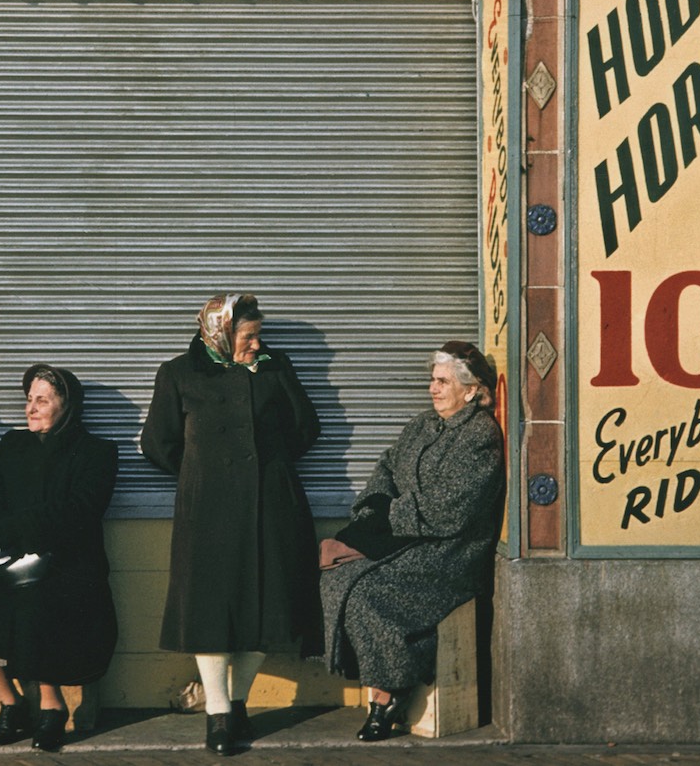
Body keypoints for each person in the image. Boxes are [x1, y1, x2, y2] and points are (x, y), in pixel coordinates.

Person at [141, 293, 323, 756]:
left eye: (258, 335)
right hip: (209, 509)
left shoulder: (274, 367)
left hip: (271, 502)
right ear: (218, 332)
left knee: (267, 605)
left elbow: (306, 427)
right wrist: (206, 467)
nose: (256, 343)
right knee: (210, 609)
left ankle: (238, 702)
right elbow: (157, 443)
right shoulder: (179, 374)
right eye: (248, 336)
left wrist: (266, 462)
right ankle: (217, 714)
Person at [317, 340, 505, 742]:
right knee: (337, 577)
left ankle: (388, 697)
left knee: (369, 591)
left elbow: (448, 510)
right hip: (407, 539)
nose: (432, 389)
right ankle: (389, 675)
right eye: (432, 380)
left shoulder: (480, 436)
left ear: (471, 391)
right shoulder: (423, 424)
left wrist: (384, 521)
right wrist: (372, 508)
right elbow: (386, 465)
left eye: (442, 381)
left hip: (450, 552)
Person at [0, 363, 119, 752]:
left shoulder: (97, 453)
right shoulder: (13, 445)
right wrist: (3, 538)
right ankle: (11, 702)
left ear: (67, 405)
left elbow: (79, 511)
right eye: (28, 399)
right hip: (10, 561)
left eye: (42, 399)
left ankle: (52, 707)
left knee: (37, 607)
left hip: (68, 564)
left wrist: (18, 528)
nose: (31, 408)